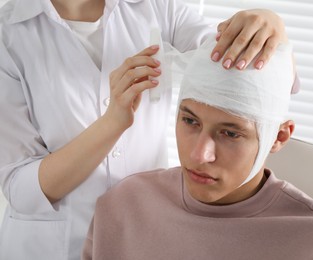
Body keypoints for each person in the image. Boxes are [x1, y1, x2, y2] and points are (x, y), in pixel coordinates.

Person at [0, 0, 296, 259]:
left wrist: (270, 30)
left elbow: (250, 73)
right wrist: (112, 123)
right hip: (54, 247)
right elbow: (21, 189)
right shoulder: (8, 34)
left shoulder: (159, 7)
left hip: (145, 237)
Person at [82, 37, 313, 260]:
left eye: (230, 133)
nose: (198, 155)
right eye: (190, 120)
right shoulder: (123, 205)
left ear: (279, 137)